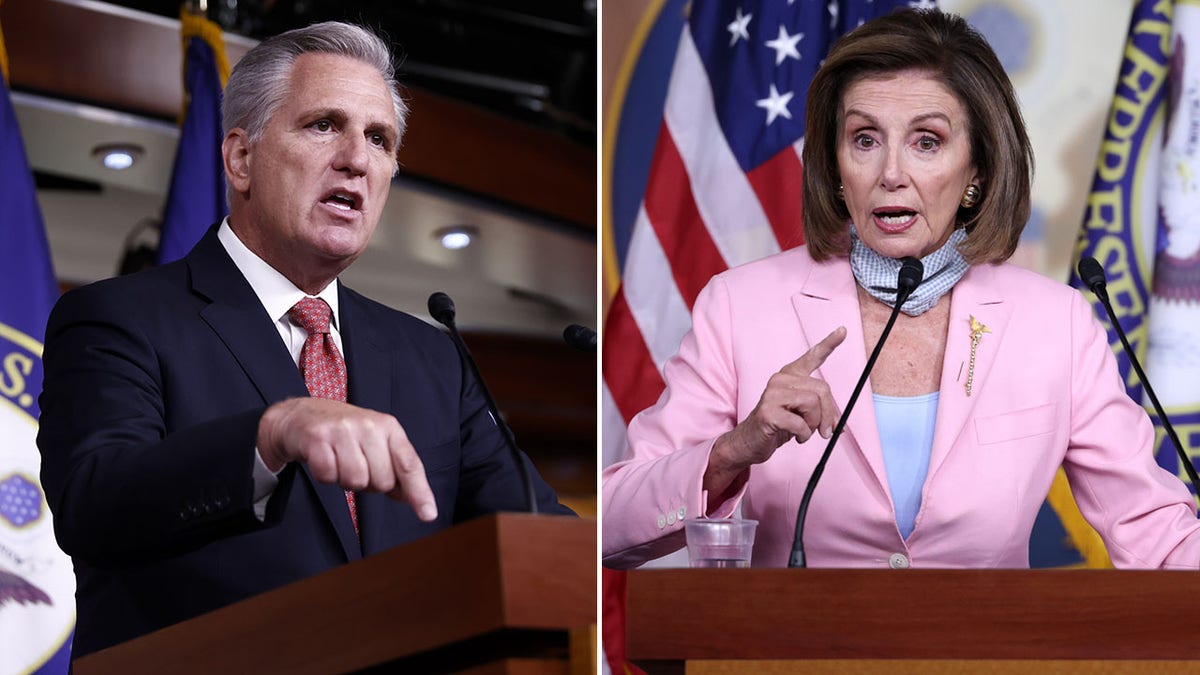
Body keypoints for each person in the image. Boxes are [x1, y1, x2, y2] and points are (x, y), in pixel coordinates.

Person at [37, 21, 572, 658]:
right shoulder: (119, 319)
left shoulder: (433, 357)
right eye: (324, 125)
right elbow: (93, 506)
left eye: (379, 138)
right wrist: (269, 434)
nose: (356, 157)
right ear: (240, 158)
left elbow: (542, 542)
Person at [602, 8, 1200, 570]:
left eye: (927, 141)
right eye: (865, 139)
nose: (891, 173)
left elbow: (1156, 534)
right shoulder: (740, 307)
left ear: (977, 172)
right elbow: (613, 523)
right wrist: (733, 450)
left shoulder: (1055, 324)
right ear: (836, 168)